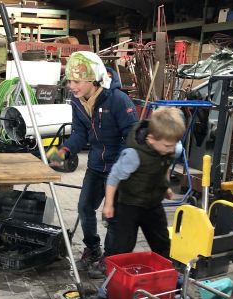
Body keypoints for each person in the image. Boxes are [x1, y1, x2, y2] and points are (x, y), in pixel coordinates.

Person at [47, 51, 138, 273]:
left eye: (77, 81)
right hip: (96, 165)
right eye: (69, 81)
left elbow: (132, 137)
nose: (71, 86)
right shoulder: (77, 102)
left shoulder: (118, 100)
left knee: (112, 215)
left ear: (94, 79)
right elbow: (80, 133)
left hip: (118, 168)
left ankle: (110, 257)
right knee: (84, 208)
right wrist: (63, 151)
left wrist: (122, 167)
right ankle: (93, 249)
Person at [91, 106, 186, 278]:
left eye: (174, 145)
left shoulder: (168, 147)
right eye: (168, 145)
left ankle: (166, 277)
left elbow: (164, 164)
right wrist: (109, 205)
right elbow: (113, 178)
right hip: (129, 205)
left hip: (153, 204)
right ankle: (114, 280)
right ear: (151, 139)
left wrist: (166, 186)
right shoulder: (132, 156)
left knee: (162, 242)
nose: (172, 149)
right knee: (123, 246)